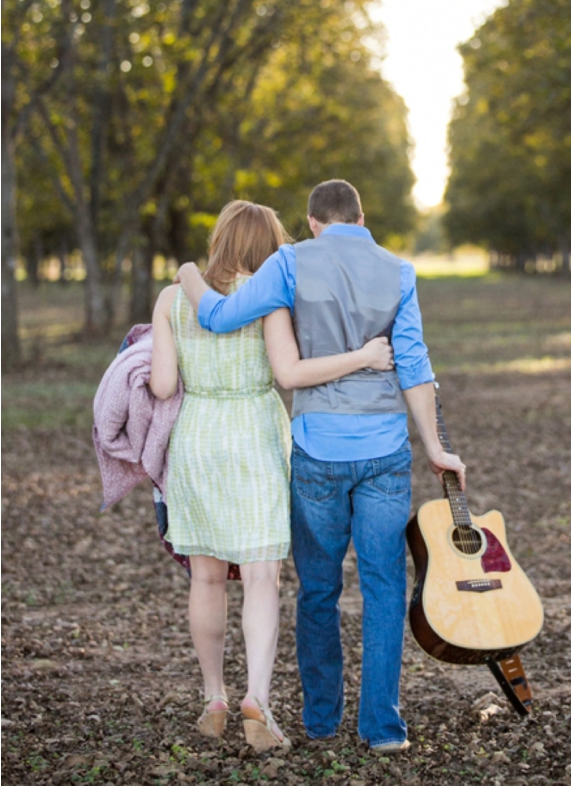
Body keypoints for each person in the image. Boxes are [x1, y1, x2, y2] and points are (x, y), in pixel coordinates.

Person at [175, 180, 466, 754]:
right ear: (362, 217)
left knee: (317, 590)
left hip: (318, 451)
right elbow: (414, 365)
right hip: (384, 453)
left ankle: (320, 720)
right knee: (384, 587)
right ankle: (382, 728)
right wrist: (434, 447)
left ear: (312, 222)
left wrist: (187, 272)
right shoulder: (400, 271)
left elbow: (218, 315)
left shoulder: (290, 262)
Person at [149, 199, 394, 752]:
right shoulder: (274, 300)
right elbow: (290, 375)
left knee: (206, 578)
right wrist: (361, 357)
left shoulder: (172, 299)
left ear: (220, 240)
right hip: (256, 440)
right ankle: (256, 697)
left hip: (198, 441)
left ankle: (213, 697)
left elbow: (163, 387)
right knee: (263, 579)